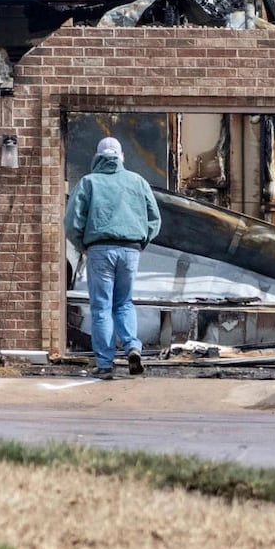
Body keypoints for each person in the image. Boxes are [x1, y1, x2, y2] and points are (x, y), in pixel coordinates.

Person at [64, 137, 161, 379]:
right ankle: (132, 347)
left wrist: (81, 245)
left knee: (101, 307)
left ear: (98, 157)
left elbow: (72, 221)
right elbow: (154, 218)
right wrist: (141, 242)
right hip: (130, 249)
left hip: (100, 249)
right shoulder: (138, 182)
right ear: (122, 157)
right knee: (124, 303)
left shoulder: (88, 183)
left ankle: (105, 364)